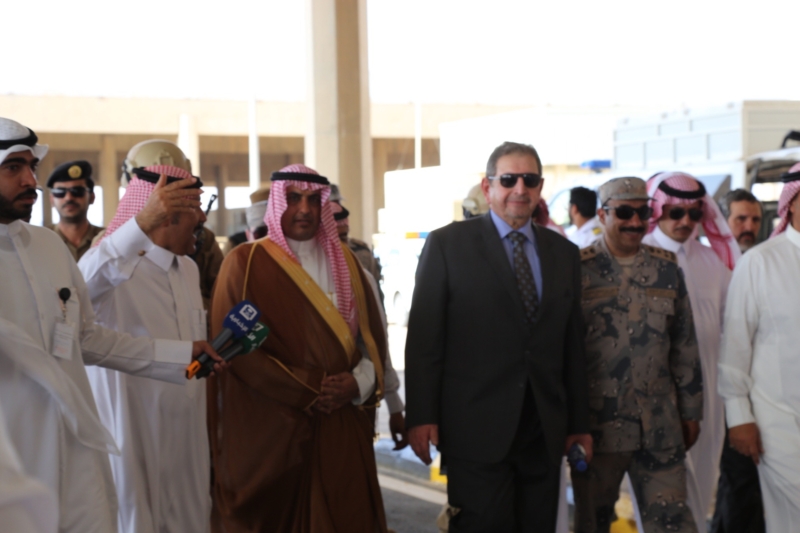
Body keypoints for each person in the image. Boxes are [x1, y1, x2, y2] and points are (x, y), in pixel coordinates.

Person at [0, 118, 221, 532]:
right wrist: (142, 224)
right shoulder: (107, 254)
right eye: (14, 168)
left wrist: (180, 354)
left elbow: (85, 338)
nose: (31, 180)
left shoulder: (46, 246)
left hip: (75, 444)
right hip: (16, 451)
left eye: (31, 167)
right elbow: (95, 275)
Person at [405, 141, 591, 532]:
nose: (520, 189)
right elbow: (424, 341)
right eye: (508, 180)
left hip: (543, 432)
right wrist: (421, 416)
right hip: (474, 429)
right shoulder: (447, 246)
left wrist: (578, 424)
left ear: (540, 188)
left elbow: (572, 345)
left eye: (530, 180)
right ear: (488, 187)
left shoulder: (563, 253)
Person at [207, 164, 388, 532]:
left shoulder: (349, 263)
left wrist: (357, 383)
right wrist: (309, 388)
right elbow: (237, 349)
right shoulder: (245, 262)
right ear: (277, 202)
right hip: (275, 434)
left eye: (312, 200)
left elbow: (370, 343)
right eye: (293, 198)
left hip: (340, 425)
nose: (304, 209)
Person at [79, 143, 218, 533]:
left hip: (188, 441)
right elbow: (78, 292)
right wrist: (139, 225)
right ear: (165, 215)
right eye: (194, 208)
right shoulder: (110, 264)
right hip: (132, 439)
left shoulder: (189, 269)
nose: (203, 218)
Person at [572, 176, 703, 533]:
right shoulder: (578, 270)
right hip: (598, 430)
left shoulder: (666, 268)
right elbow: (566, 353)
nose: (634, 221)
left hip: (660, 427)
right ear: (602, 215)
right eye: (624, 212)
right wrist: (571, 423)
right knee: (592, 524)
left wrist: (692, 412)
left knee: (673, 524)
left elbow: (684, 345)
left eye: (642, 213)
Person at [638, 172, 739, 530]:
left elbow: (732, 324)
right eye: (675, 212)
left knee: (703, 480)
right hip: (654, 394)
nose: (685, 221)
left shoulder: (713, 262)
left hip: (708, 391)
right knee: (658, 498)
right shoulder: (638, 257)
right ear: (657, 210)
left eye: (694, 213)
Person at [718, 162, 800, 531]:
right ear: (791, 203)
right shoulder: (759, 262)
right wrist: (739, 417)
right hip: (778, 422)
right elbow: (735, 346)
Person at [330, 196, 407, 449]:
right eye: (332, 238)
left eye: (344, 238)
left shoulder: (362, 277)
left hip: (356, 400)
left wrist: (394, 407)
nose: (340, 247)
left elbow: (377, 343)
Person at [47, 160, 104, 261]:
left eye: (77, 191)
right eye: (60, 192)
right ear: (51, 200)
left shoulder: (107, 239)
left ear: (92, 197)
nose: (68, 198)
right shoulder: (40, 240)